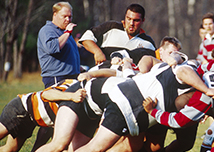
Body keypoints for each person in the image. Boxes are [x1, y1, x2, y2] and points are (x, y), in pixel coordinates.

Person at [36, 50, 214, 152]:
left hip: (120, 106)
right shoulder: (180, 71)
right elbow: (181, 69)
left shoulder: (164, 74)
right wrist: (208, 90)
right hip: (93, 97)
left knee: (98, 148)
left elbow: (180, 123)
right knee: (62, 144)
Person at [36, 2, 80, 151]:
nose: (68, 19)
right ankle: (38, 148)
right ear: (55, 15)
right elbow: (53, 48)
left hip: (71, 77)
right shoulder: (47, 30)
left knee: (66, 117)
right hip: (56, 78)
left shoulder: (63, 31)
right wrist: (67, 33)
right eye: (64, 16)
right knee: (54, 119)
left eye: (70, 16)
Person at [0, 79, 85, 152]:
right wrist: (72, 96)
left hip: (30, 121)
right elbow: (46, 94)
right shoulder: (73, 85)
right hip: (21, 108)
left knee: (10, 149)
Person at [79, 3, 156, 65]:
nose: (131, 23)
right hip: (103, 75)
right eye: (129, 19)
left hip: (130, 80)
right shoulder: (111, 27)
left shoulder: (148, 43)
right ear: (125, 17)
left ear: (143, 21)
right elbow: (86, 39)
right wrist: (97, 52)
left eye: (136, 20)